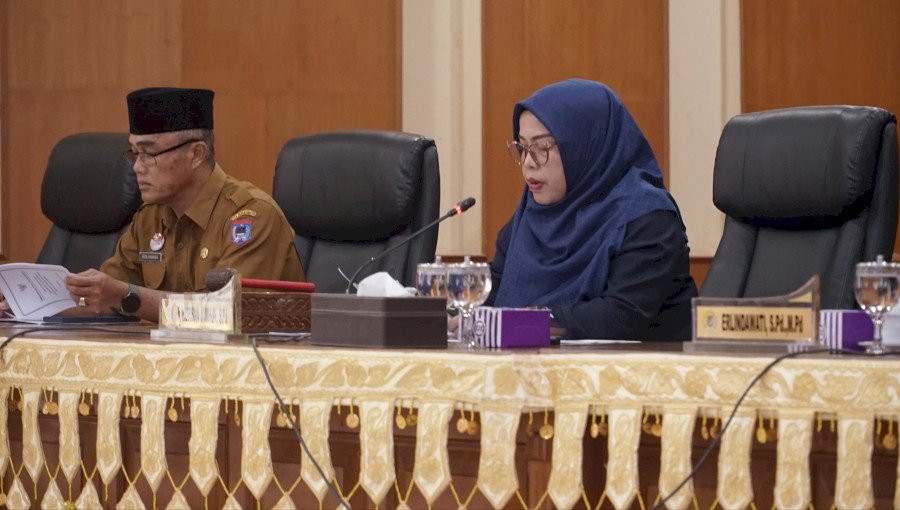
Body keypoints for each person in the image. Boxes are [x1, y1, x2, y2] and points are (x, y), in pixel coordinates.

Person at [51, 87, 304, 322]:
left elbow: (227, 312)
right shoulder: (149, 217)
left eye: (149, 154)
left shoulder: (251, 216)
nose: (137, 167)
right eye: (134, 154)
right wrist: (38, 302)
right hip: (166, 353)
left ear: (196, 154)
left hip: (251, 355)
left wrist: (129, 297)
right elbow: (104, 297)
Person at [484, 79, 697, 340]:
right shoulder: (529, 218)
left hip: (640, 364)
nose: (528, 162)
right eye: (522, 148)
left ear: (587, 146)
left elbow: (621, 316)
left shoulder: (647, 218)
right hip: (537, 363)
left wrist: (530, 322)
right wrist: (458, 317)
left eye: (542, 147)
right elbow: (491, 298)